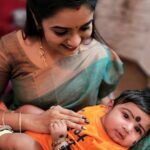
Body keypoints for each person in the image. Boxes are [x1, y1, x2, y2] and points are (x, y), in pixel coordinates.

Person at [0, 0, 123, 146]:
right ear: (36, 18)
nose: (75, 42)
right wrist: (33, 121)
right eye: (61, 32)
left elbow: (107, 106)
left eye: (85, 27)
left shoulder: (101, 56)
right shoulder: (12, 48)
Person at [0, 89, 150, 150]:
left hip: (50, 146)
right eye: (125, 116)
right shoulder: (102, 111)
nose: (128, 128)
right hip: (53, 130)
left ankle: (3, 133)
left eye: (138, 130)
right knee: (28, 109)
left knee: (20, 142)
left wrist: (59, 141)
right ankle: (8, 122)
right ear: (109, 106)